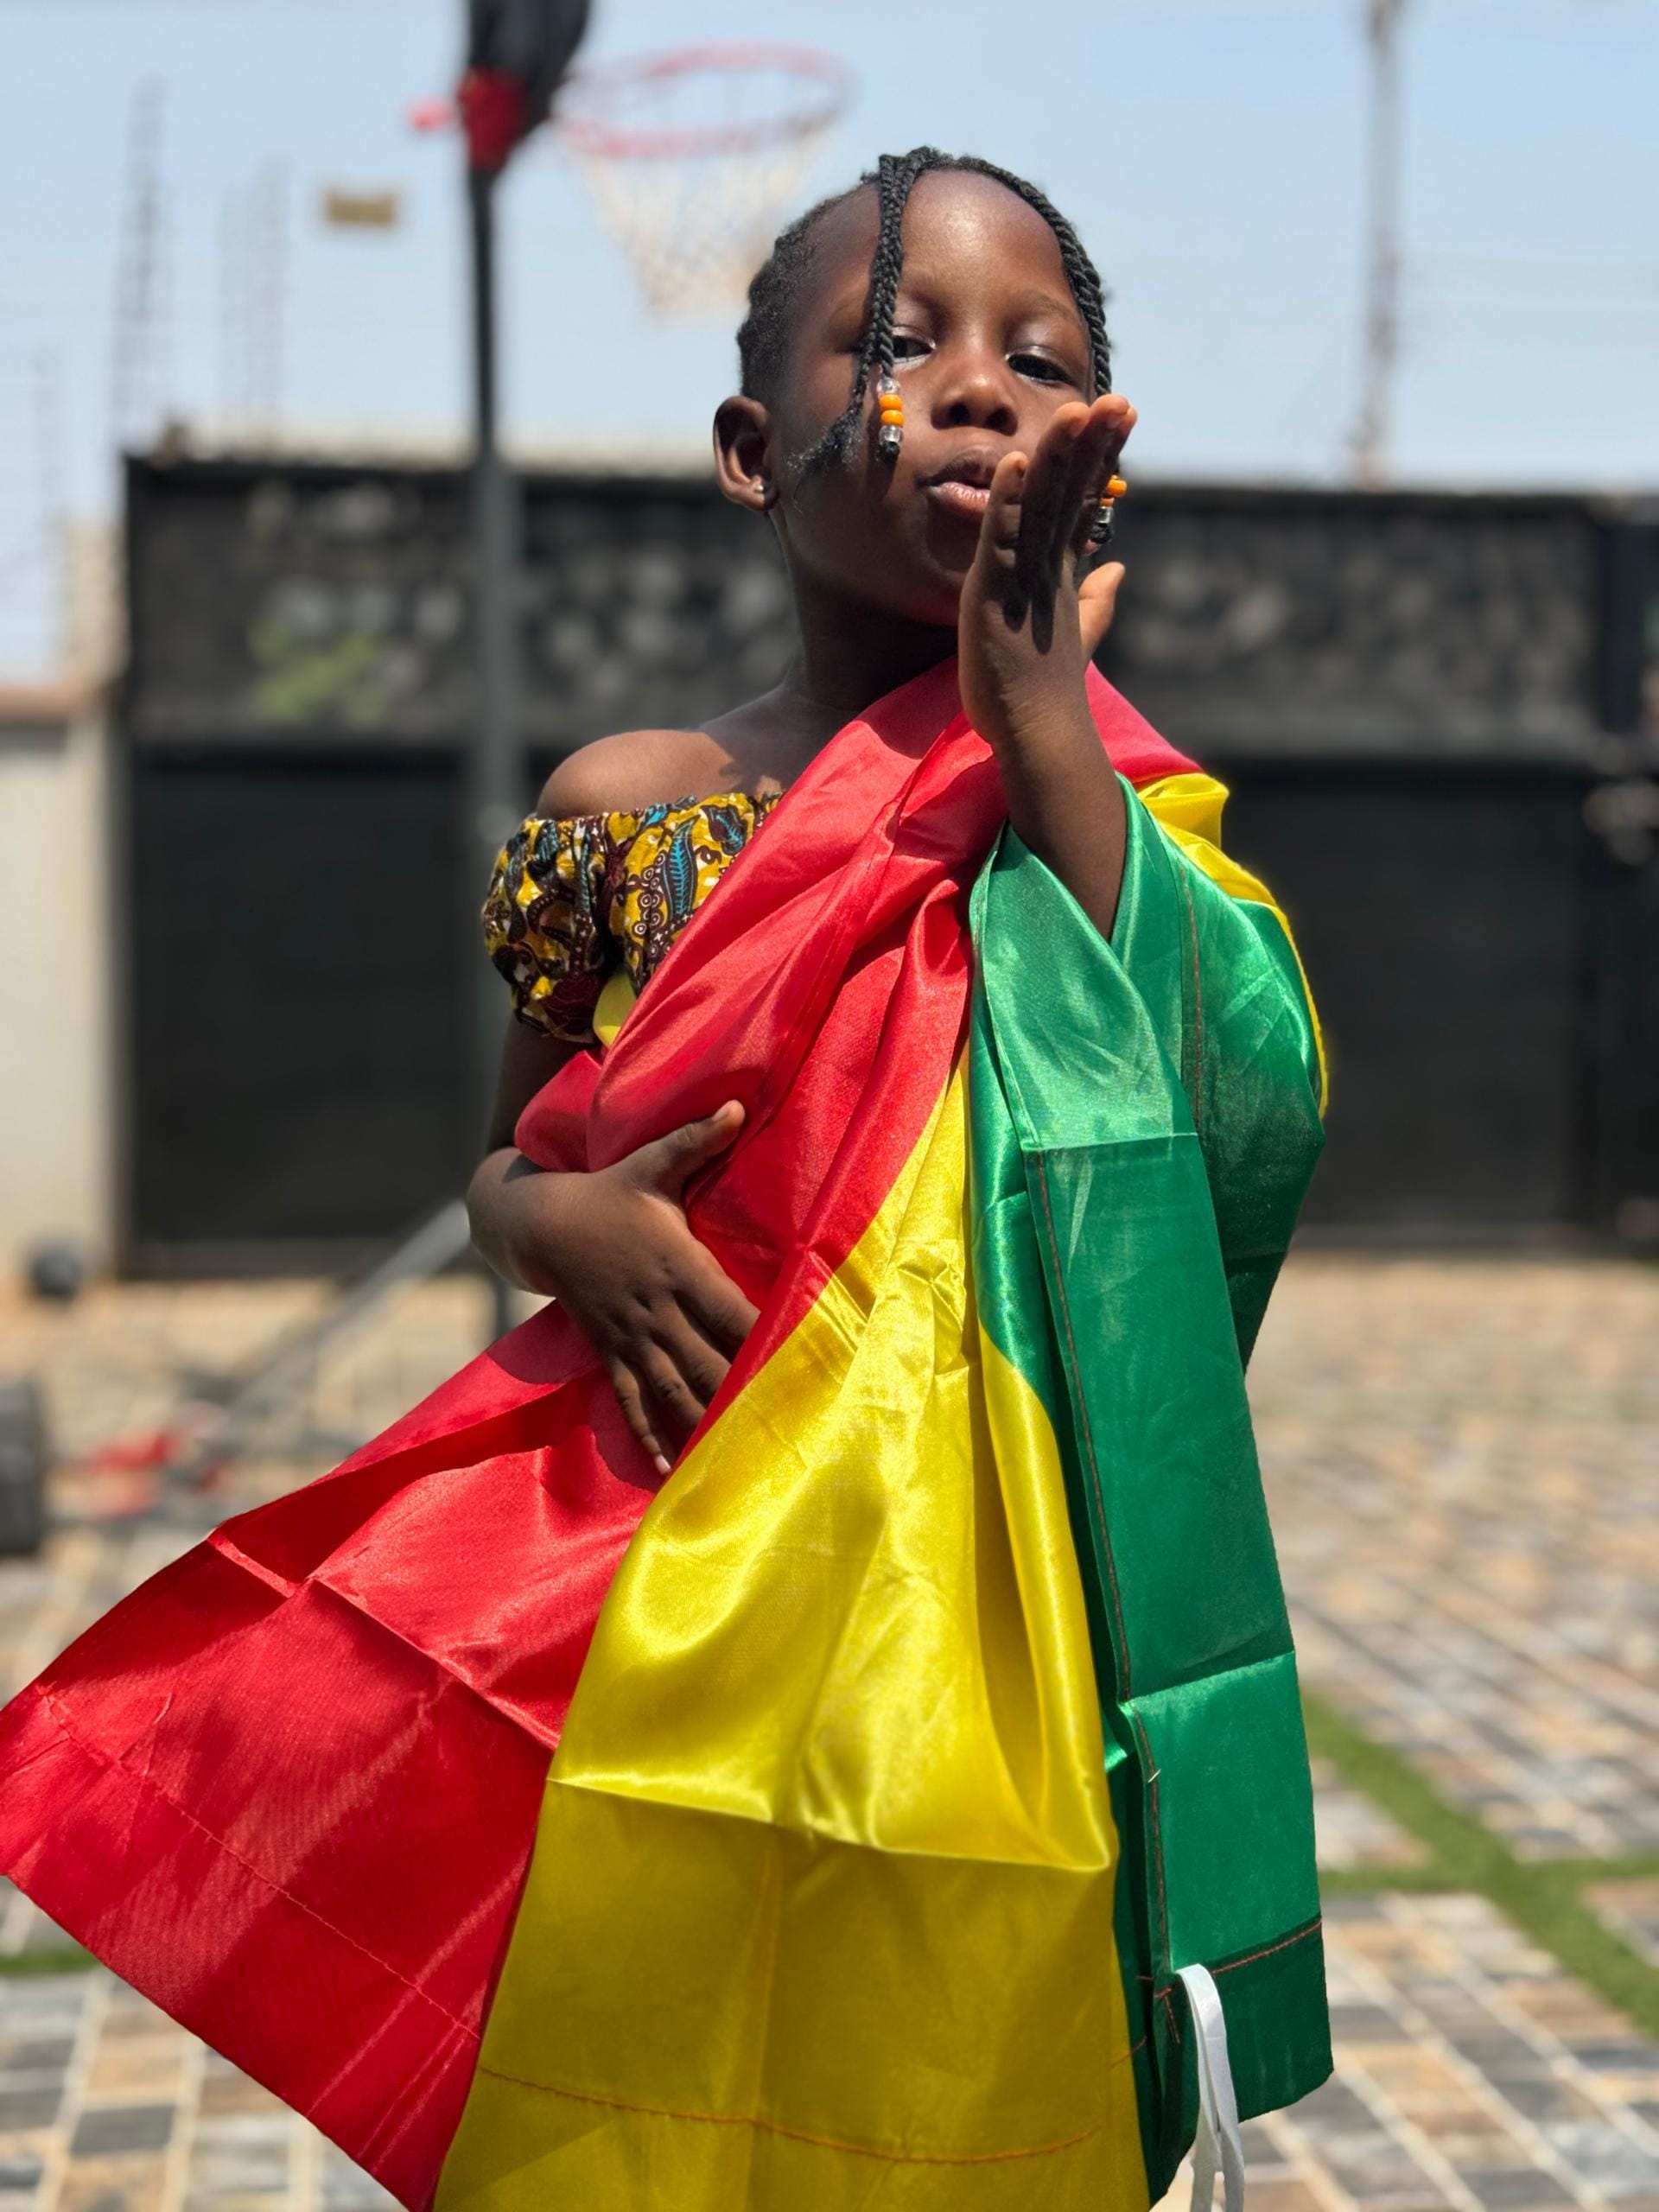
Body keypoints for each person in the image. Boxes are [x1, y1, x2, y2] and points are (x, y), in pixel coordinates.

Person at [0, 149, 1330, 2212]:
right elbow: (503, 1162)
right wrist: (564, 1226)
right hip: (652, 1580)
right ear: (748, 446)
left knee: (936, 2050)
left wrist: (1034, 721)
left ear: (1099, 458)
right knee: (638, 2056)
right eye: (901, 339)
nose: (981, 383)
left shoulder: (1100, 804)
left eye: (1042, 356)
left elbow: (1210, 1091)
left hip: (964, 1619)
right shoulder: (631, 809)